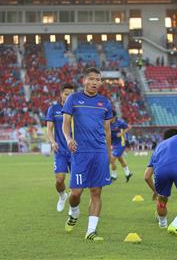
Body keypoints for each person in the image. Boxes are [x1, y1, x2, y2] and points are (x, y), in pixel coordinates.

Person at [62, 67, 113, 241]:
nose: (95, 82)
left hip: (99, 152)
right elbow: (66, 124)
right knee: (75, 193)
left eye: (98, 80)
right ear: (84, 80)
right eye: (91, 79)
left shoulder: (105, 102)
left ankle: (91, 231)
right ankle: (74, 211)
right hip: (80, 152)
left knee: (96, 192)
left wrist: (108, 154)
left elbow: (107, 131)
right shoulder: (73, 99)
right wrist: (68, 138)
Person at [46, 83, 75, 212]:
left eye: (71, 95)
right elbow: (49, 129)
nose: (69, 97)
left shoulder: (77, 109)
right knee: (59, 180)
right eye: (66, 94)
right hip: (60, 151)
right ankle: (62, 195)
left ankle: (73, 207)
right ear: (61, 95)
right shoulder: (53, 109)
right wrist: (52, 142)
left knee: (75, 183)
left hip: (75, 151)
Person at [109, 113, 133, 182]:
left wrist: (121, 134)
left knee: (112, 159)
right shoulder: (108, 123)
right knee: (120, 159)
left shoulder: (120, 123)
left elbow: (129, 127)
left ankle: (114, 176)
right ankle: (128, 173)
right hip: (114, 143)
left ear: (113, 117)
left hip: (121, 143)